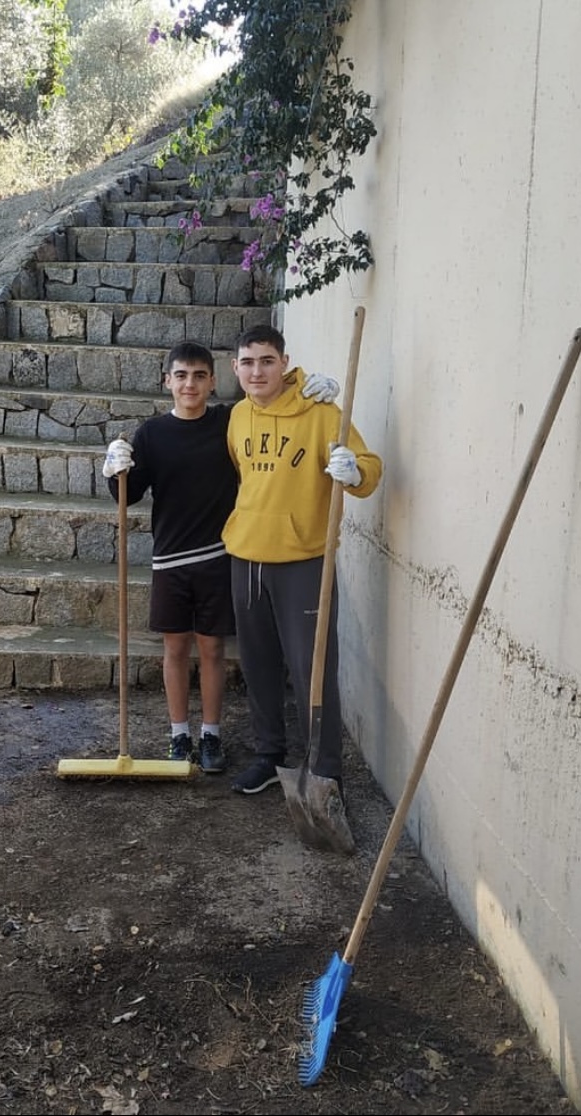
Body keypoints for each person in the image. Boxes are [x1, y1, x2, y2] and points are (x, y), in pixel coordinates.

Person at [102, 341, 339, 772]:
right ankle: (179, 735)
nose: (189, 384)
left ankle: (211, 735)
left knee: (212, 648)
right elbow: (128, 495)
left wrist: (305, 388)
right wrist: (115, 470)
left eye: (199, 376)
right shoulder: (152, 434)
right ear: (167, 381)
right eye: (180, 376)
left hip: (218, 554)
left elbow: (268, 402)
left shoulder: (229, 421)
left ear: (213, 381)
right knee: (175, 647)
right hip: (169, 559)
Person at [222, 323, 382, 797]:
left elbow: (370, 468)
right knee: (258, 664)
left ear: (284, 364)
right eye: (247, 363)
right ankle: (269, 755)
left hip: (303, 560)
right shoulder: (237, 416)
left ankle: (325, 769)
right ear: (235, 368)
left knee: (313, 668)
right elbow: (243, 474)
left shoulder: (322, 412)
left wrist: (354, 472)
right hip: (246, 556)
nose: (257, 371)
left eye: (267, 361)